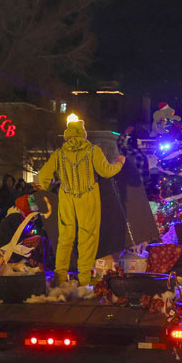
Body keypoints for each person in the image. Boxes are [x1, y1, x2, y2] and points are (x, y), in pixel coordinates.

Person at [36, 118, 124, 285]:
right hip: (88, 196)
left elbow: (42, 177)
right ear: (83, 134)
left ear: (67, 135)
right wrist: (119, 163)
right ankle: (84, 278)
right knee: (88, 237)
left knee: (65, 238)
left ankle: (60, 276)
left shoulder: (59, 154)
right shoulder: (92, 150)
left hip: (67, 197)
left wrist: (49, 185)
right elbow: (106, 171)